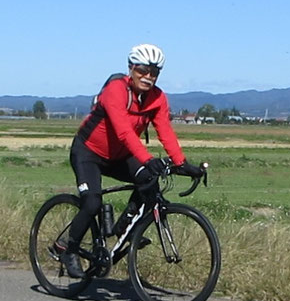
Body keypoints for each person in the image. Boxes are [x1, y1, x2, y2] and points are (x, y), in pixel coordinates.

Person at [48, 44, 199, 278]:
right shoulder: (116, 90)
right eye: (143, 71)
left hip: (119, 156)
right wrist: (148, 159)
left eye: (154, 73)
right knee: (91, 204)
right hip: (88, 153)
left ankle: (123, 230)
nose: (148, 77)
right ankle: (69, 248)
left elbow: (165, 131)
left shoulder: (157, 98)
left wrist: (181, 163)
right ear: (131, 68)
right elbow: (124, 132)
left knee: (149, 181)